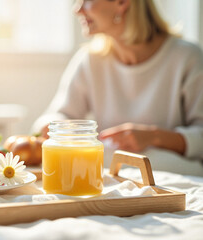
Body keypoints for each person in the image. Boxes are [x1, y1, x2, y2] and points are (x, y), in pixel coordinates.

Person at [33, 0, 203, 175]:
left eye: (87, 1)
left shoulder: (187, 57)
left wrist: (154, 137)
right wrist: (51, 126)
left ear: (122, 2)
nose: (77, 10)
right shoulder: (90, 59)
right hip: (112, 173)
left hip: (173, 175)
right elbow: (58, 114)